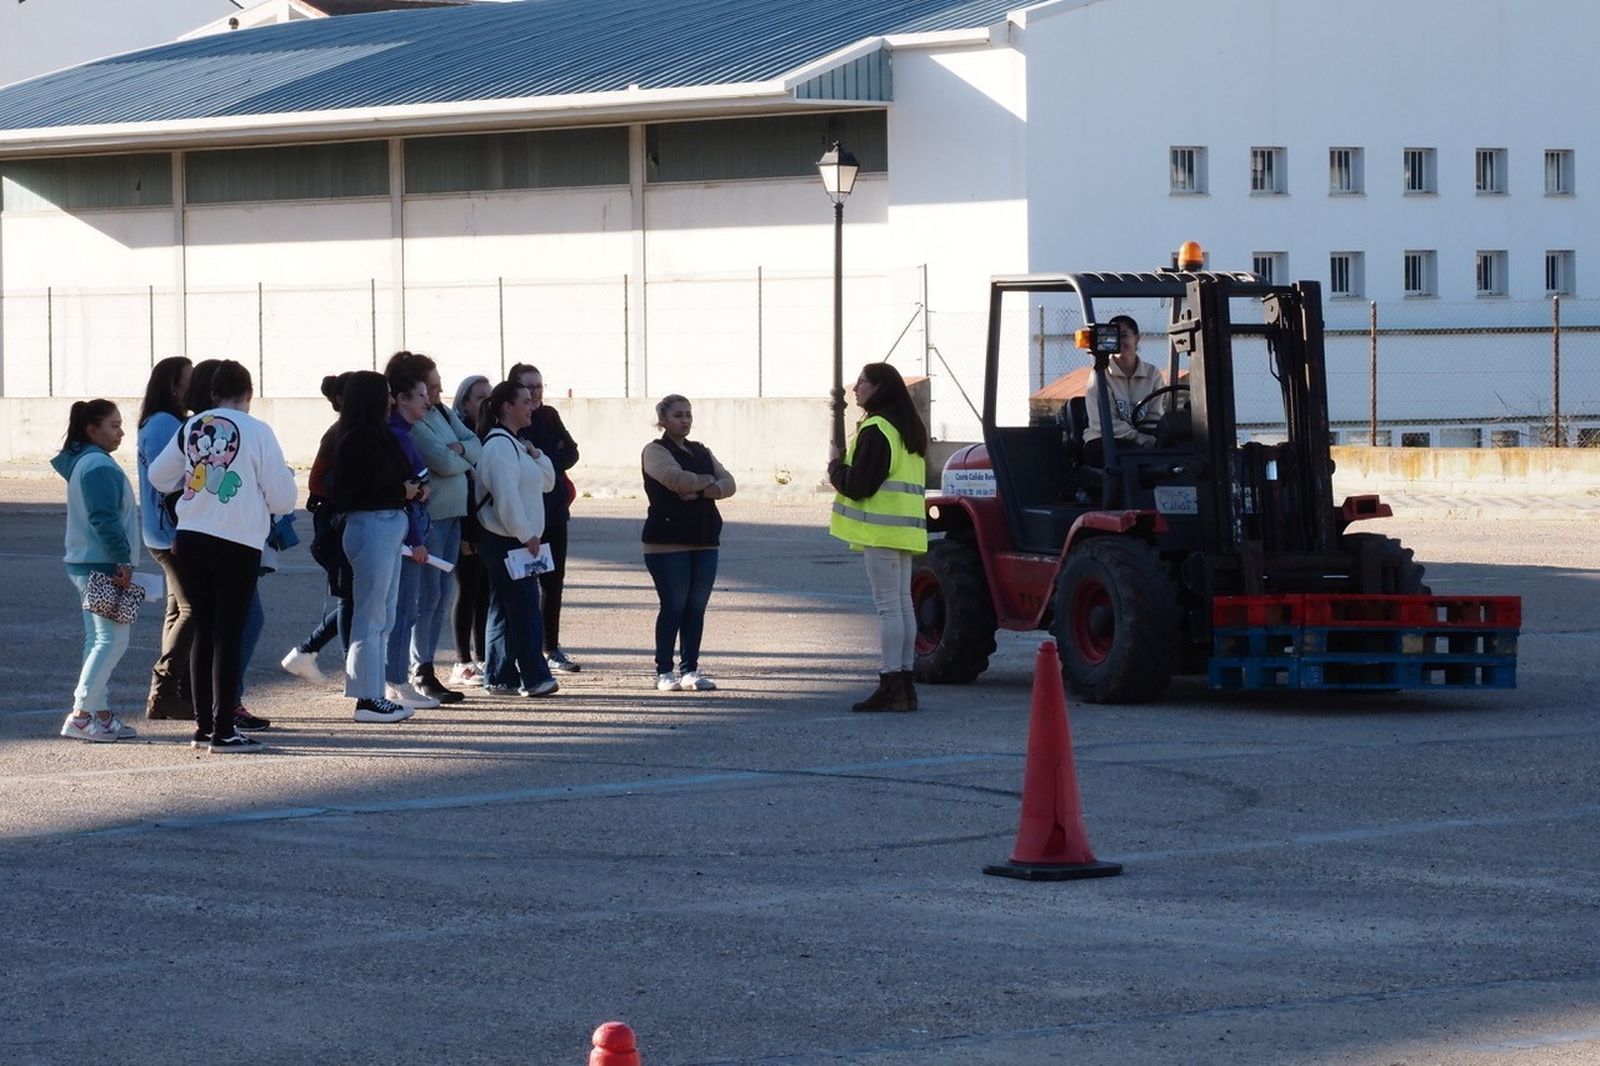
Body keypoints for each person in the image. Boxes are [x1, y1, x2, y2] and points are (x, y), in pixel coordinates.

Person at [148, 360, 298, 752]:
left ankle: (203, 727)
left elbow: (158, 477)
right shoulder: (259, 431)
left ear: (213, 393)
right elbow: (283, 496)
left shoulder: (192, 426)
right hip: (238, 541)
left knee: (205, 632)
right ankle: (225, 729)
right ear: (248, 394)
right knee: (229, 636)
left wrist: (192, 481)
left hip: (193, 536)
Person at [827, 363, 929, 712]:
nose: (855, 389)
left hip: (882, 531)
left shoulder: (876, 429)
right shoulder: (909, 428)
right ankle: (905, 684)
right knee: (903, 605)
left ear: (879, 387)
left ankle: (891, 684)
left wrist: (836, 469)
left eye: (861, 383)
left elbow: (859, 485)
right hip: (905, 530)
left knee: (889, 608)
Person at [332, 370, 424, 724]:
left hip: (389, 525)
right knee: (370, 616)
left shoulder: (380, 435)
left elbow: (398, 474)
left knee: (383, 615)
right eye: (385, 394)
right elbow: (354, 493)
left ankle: (375, 691)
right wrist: (402, 491)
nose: (390, 400)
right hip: (370, 527)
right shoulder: (354, 438)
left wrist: (412, 489)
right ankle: (366, 698)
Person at [54, 400, 141, 743]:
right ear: (93, 430)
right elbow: (104, 518)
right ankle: (80, 716)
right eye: (114, 426)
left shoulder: (88, 462)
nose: (121, 432)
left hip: (89, 562)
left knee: (99, 640)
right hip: (101, 563)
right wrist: (122, 560)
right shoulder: (97, 466)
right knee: (111, 640)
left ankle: (99, 714)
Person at [641, 394, 735, 692]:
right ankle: (664, 670)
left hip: (705, 539)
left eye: (688, 415)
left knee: (696, 607)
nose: (685, 420)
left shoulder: (701, 450)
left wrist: (703, 489)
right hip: (667, 542)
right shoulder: (655, 451)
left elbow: (729, 483)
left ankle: (690, 669)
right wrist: (709, 481)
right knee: (674, 605)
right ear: (663, 419)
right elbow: (675, 480)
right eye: (678, 415)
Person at [401, 354, 481, 703]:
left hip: (453, 516)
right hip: (429, 517)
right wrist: (462, 454)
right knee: (426, 596)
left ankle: (427, 663)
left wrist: (461, 448)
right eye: (430, 387)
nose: (438, 391)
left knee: (441, 595)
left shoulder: (442, 413)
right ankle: (419, 668)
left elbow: (474, 444)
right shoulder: (416, 423)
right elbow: (443, 463)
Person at [473, 380, 560, 698]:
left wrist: (536, 453)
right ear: (507, 406)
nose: (532, 405)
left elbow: (548, 483)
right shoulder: (498, 446)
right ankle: (535, 677)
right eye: (525, 401)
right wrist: (527, 535)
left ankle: (500, 677)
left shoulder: (517, 444)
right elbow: (506, 497)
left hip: (516, 539)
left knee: (503, 607)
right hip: (506, 539)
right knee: (525, 608)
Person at [508, 363, 581, 672]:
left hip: (553, 512)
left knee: (553, 583)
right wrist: (547, 455)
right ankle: (519, 649)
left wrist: (542, 455)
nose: (536, 393)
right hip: (524, 515)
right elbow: (521, 459)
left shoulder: (549, 415)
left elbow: (571, 453)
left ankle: (551, 646)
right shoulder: (513, 420)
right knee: (521, 583)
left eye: (539, 386)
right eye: (529, 387)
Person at [281, 371, 354, 684]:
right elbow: (316, 482)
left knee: (356, 598)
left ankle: (306, 652)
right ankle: (354, 671)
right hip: (337, 525)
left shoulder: (351, 431)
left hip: (344, 523)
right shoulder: (339, 434)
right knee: (352, 598)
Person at [135, 355, 194, 721]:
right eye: (188, 381)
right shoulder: (163, 426)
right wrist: (179, 531)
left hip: (164, 532)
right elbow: (168, 486)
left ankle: (175, 690)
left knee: (177, 611)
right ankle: (164, 688)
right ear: (173, 386)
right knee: (194, 609)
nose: (193, 387)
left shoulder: (166, 422)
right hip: (169, 534)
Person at [380, 363, 440, 709]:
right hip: (406, 531)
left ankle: (394, 677)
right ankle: (396, 680)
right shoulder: (399, 436)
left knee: (403, 608)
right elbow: (412, 492)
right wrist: (416, 540)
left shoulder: (402, 432)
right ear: (401, 399)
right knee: (403, 609)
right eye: (420, 395)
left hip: (409, 526)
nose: (426, 402)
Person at [448, 375, 492, 687]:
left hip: (489, 523)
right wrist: (465, 533)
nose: (486, 403)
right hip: (465, 521)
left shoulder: (491, 431)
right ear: (464, 401)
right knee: (468, 590)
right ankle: (462, 661)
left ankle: (484, 656)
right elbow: (461, 483)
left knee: (485, 593)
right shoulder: (459, 431)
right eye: (480, 397)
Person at [1081, 313, 1166, 467]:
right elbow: (1103, 422)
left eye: (1124, 335)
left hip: (1142, 439)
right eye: (1113, 336)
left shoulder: (1152, 374)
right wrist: (1138, 438)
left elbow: (1155, 415)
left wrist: (1152, 437)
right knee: (1128, 454)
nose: (1119, 341)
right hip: (1105, 439)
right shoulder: (1100, 374)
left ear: (1137, 338)